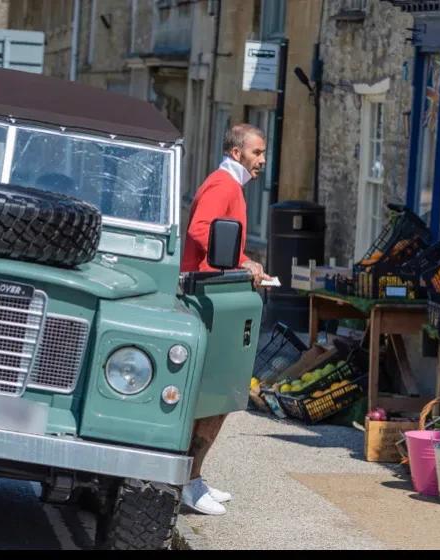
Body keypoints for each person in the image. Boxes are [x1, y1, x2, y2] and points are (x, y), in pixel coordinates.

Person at [180, 123, 272, 515]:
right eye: (256, 153)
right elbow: (201, 230)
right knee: (216, 396)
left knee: (216, 398)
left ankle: (193, 477)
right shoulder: (223, 185)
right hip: (207, 298)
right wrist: (243, 262)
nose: (262, 161)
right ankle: (187, 481)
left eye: (263, 153)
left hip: (215, 294)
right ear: (237, 153)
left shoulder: (228, 184)